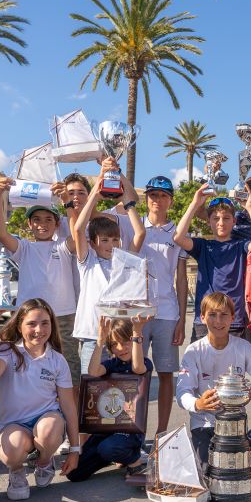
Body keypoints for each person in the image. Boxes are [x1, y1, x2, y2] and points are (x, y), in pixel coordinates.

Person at [96, 175, 188, 436]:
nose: (157, 200)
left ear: (170, 200)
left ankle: (161, 433)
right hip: (134, 311)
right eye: (152, 195)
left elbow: (181, 277)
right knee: (132, 372)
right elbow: (96, 215)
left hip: (167, 311)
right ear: (145, 199)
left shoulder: (178, 232)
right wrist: (112, 167)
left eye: (162, 195)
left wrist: (181, 317)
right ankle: (132, 430)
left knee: (166, 373)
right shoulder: (130, 223)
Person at [0, 299, 80, 500]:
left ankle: (44, 461)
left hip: (47, 419)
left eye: (45, 323)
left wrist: (75, 449)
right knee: (12, 450)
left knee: (49, 429)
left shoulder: (57, 360)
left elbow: (69, 406)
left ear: (52, 324)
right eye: (31, 324)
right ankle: (16, 471)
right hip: (15, 424)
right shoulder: (7, 352)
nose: (39, 330)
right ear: (19, 325)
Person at [176, 293, 251, 469]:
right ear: (202, 317)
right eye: (212, 315)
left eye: (224, 315)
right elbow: (182, 392)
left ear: (233, 318)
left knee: (247, 468)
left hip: (235, 423)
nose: (218, 321)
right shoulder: (194, 351)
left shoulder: (242, 347)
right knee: (210, 469)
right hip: (204, 423)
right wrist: (198, 403)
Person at [0, 174, 81, 377]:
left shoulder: (63, 246)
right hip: (29, 316)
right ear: (29, 225)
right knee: (29, 369)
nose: (43, 224)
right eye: (37, 219)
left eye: (49, 219)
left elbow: (78, 233)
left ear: (57, 224)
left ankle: (70, 409)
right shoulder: (24, 247)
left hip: (64, 316)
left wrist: (67, 201)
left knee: (70, 370)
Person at [71, 158, 144, 378]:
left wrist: (127, 203)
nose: (110, 246)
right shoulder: (87, 262)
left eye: (114, 240)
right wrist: (96, 192)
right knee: (90, 391)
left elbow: (140, 233)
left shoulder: (124, 260)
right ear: (92, 242)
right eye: (104, 241)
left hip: (119, 337)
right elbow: (78, 228)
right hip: (92, 336)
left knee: (118, 395)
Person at [174, 184, 251, 342]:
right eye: (215, 218)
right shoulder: (203, 246)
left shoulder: (241, 246)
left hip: (234, 320)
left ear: (234, 221)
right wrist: (195, 204)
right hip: (204, 321)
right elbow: (178, 238)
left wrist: (250, 208)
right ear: (209, 222)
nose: (221, 223)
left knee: (235, 367)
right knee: (202, 366)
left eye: (226, 218)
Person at [67, 316, 152, 482]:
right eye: (114, 344)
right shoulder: (113, 363)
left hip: (130, 430)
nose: (120, 348)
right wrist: (100, 339)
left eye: (125, 341)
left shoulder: (144, 363)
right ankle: (112, 455)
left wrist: (137, 333)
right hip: (106, 428)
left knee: (109, 447)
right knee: (75, 474)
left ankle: (135, 460)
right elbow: (93, 371)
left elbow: (137, 367)